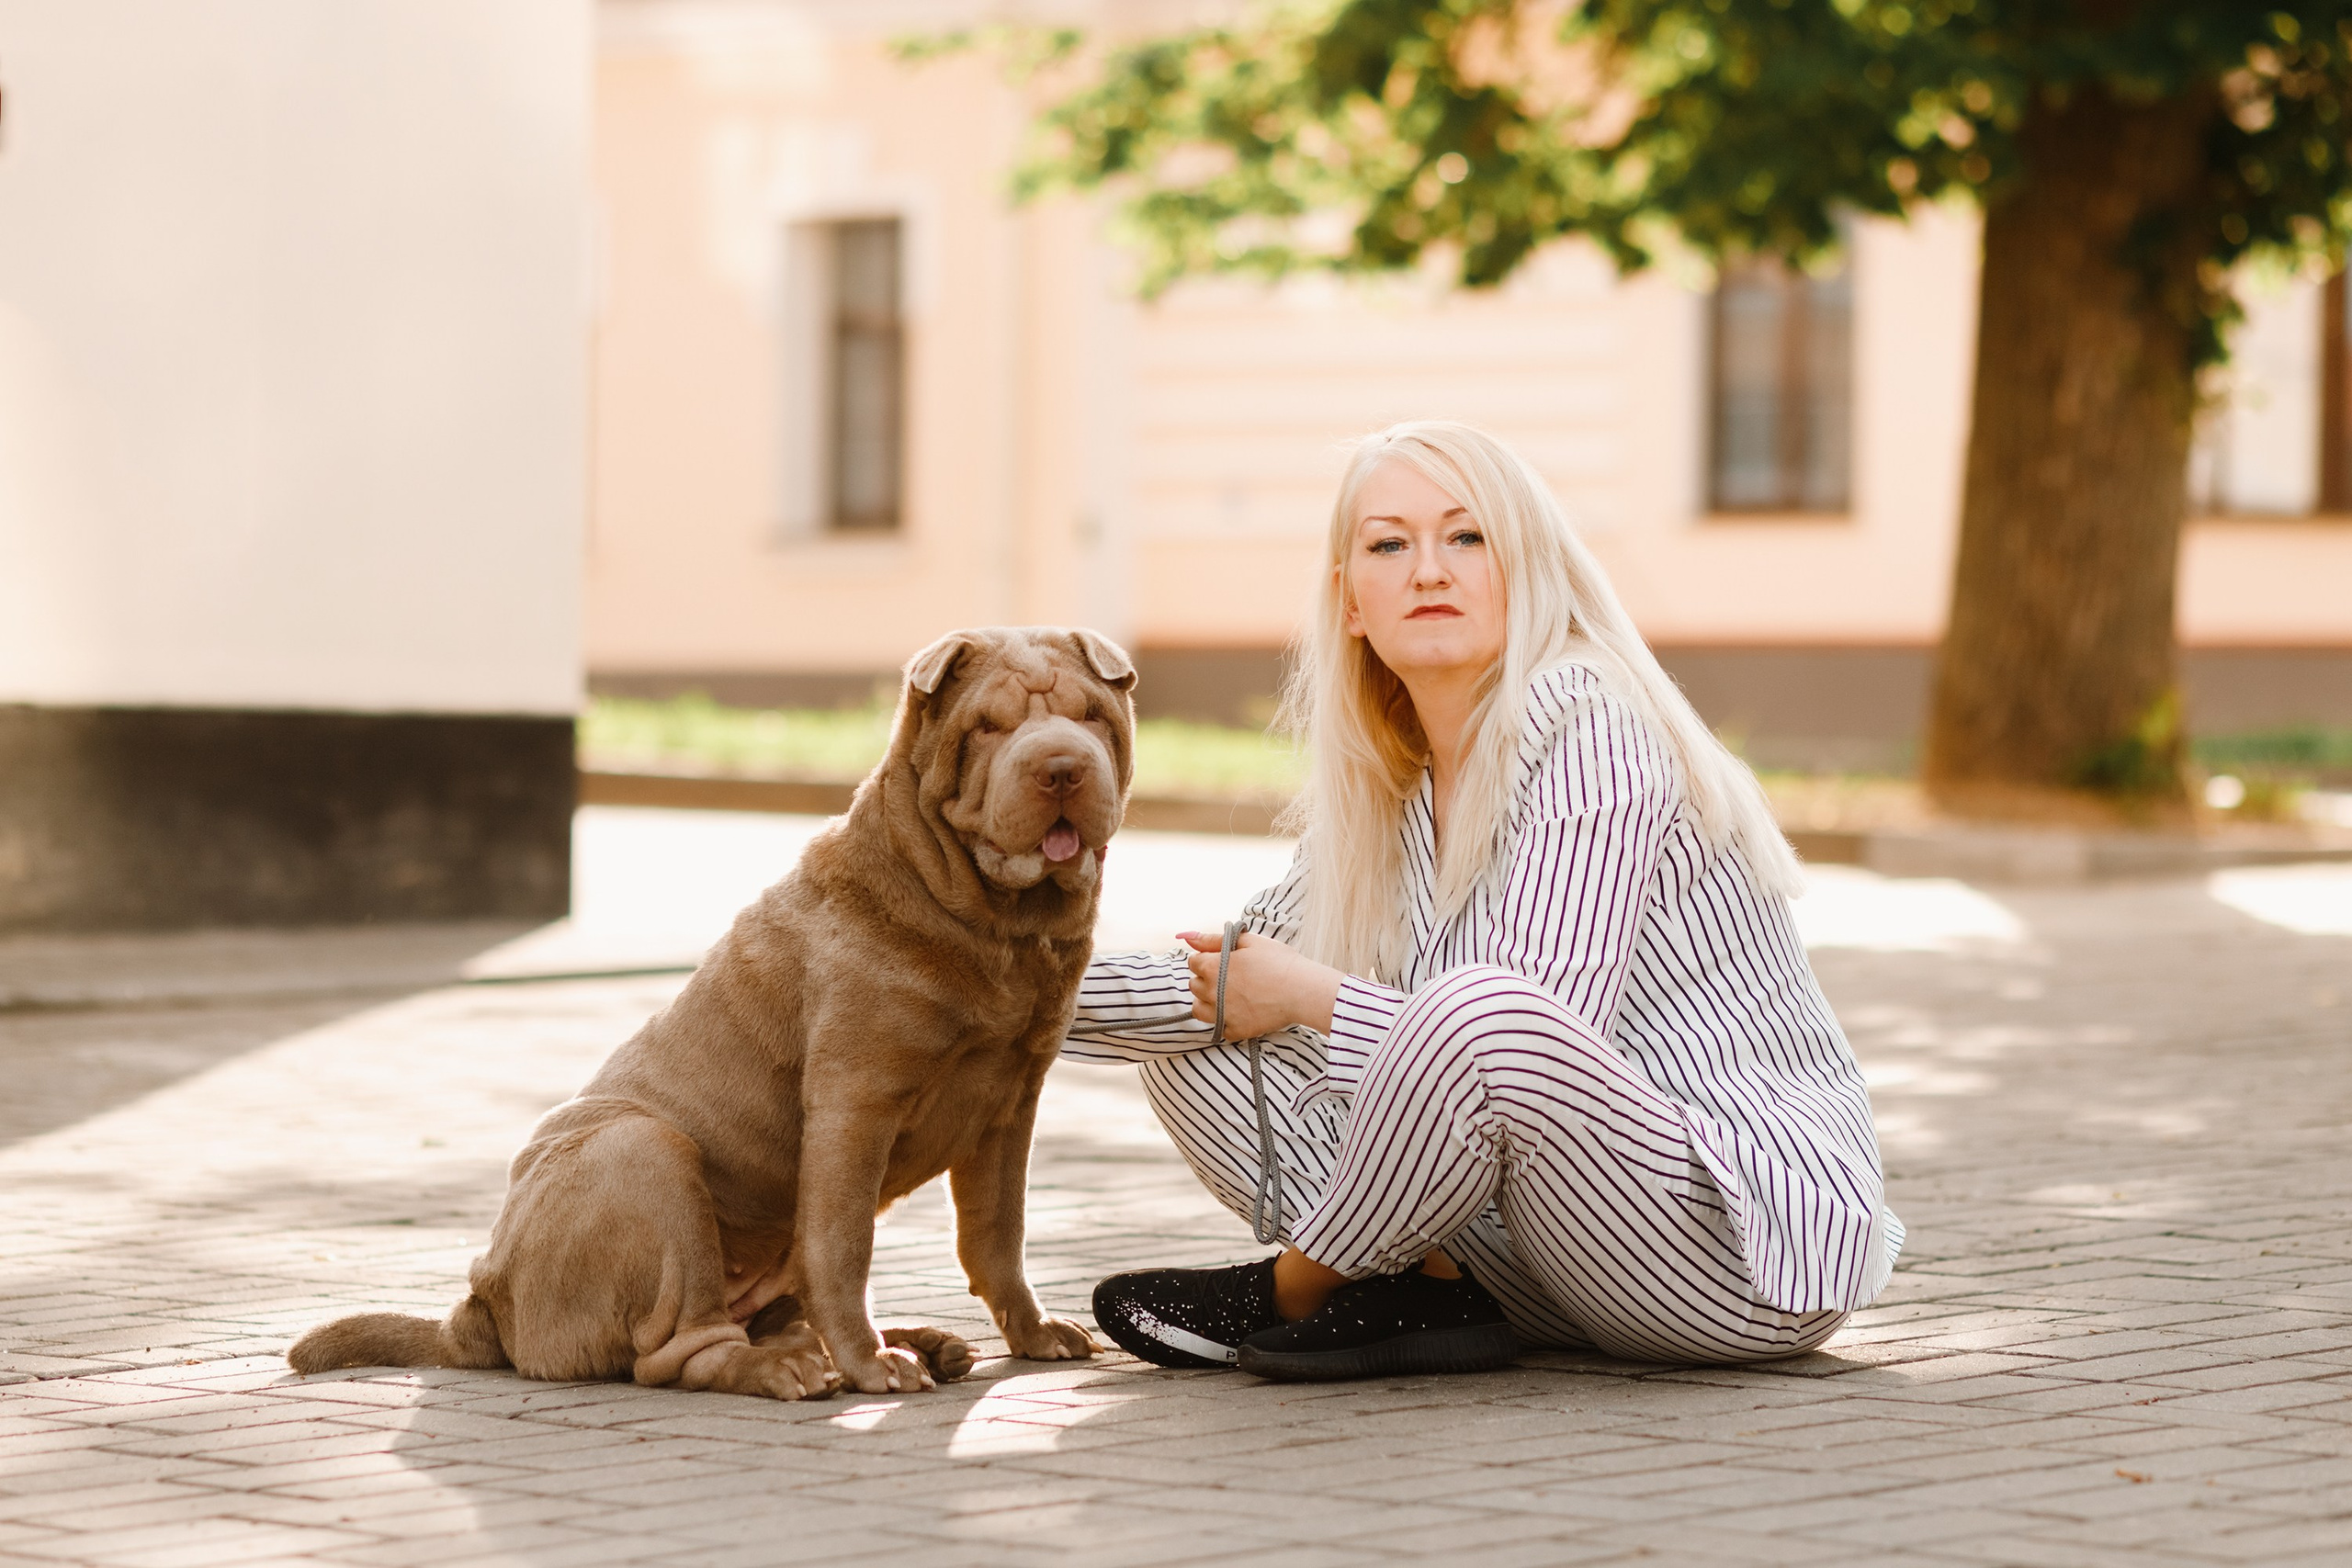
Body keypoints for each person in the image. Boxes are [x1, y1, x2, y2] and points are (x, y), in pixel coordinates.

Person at [1066, 420, 1902, 1382]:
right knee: (1196, 1037)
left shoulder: (1595, 730)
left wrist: (1309, 997)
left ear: (1527, 567)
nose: (1429, 570)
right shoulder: (1394, 797)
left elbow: (1522, 1037)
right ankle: (1431, 1291)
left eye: (1467, 538)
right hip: (1555, 1262)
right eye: (1389, 544)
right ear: (1347, 602)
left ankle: (1298, 1288)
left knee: (1483, 1009)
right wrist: (952, 992)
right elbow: (1224, 983)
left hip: (1728, 1252)